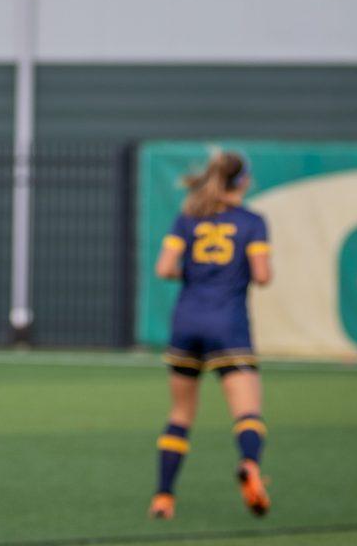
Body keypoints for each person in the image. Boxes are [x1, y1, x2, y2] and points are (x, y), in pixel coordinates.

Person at [148, 151, 273, 521]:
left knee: (181, 413)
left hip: (186, 322)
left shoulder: (187, 218)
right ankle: (250, 465)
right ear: (244, 181)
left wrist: (196, 274)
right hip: (228, 324)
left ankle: (163, 497)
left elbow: (164, 268)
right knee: (247, 412)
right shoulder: (252, 222)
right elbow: (263, 275)